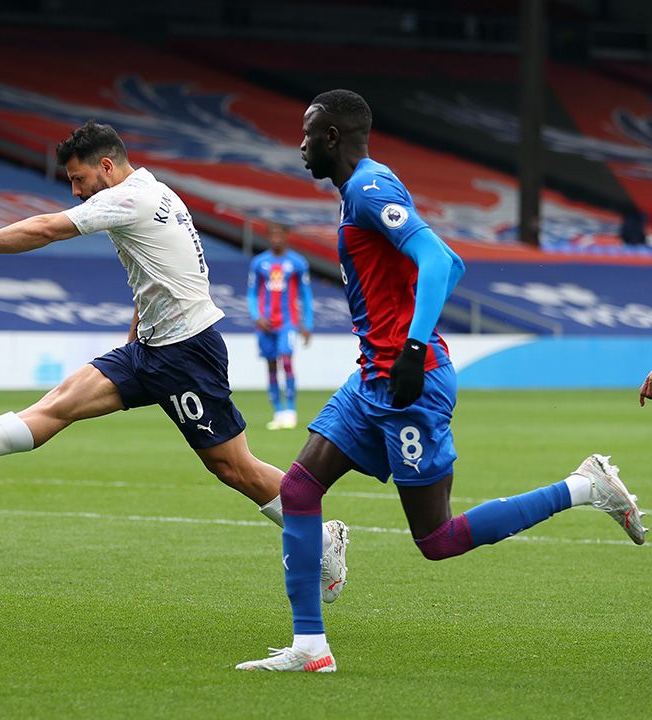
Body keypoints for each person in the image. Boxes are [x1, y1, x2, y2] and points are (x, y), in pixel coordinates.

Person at [235, 89, 646, 673]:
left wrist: (412, 347)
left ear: (331, 137)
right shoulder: (361, 193)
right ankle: (310, 647)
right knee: (299, 491)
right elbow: (434, 266)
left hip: (411, 383)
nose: (299, 146)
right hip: (373, 379)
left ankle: (585, 486)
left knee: (437, 539)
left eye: (307, 134)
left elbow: (438, 259)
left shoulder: (369, 188)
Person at [0, 121, 349, 596]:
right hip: (150, 348)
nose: (76, 190)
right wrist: (135, 337)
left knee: (233, 468)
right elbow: (157, 274)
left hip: (187, 352)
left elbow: (47, 229)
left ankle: (321, 535)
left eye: (78, 179)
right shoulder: (156, 192)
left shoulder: (131, 197)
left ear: (107, 166)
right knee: (60, 403)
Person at [247, 223, 313, 430]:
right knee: (271, 365)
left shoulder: (297, 263)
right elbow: (251, 293)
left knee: (286, 359)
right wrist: (257, 316)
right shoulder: (259, 263)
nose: (276, 239)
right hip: (266, 323)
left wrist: (307, 324)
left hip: (288, 322)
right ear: (268, 238)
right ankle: (278, 411)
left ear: (286, 236)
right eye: (272, 235)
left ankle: (291, 410)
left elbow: (306, 295)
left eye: (279, 235)